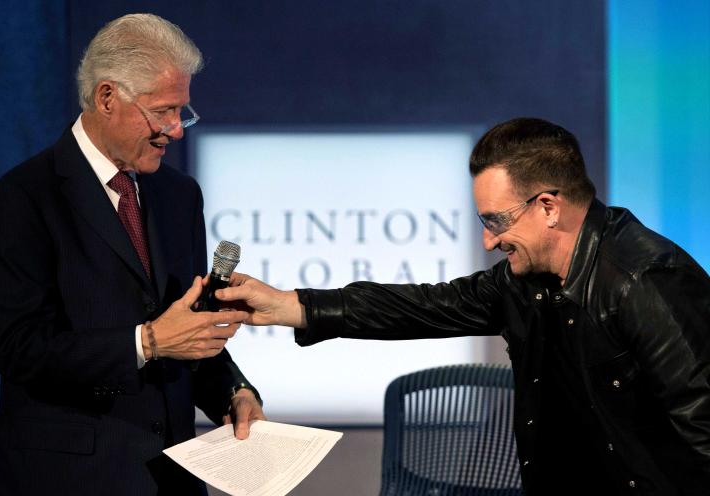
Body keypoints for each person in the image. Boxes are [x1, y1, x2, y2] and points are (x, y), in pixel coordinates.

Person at [216, 118, 710, 495]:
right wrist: (292, 306)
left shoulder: (645, 280)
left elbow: (704, 429)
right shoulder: (525, 279)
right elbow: (425, 306)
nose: (488, 239)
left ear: (548, 207)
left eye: (497, 220)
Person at [0, 13, 264, 496]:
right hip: (67, 479)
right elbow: (21, 350)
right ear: (107, 97)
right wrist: (146, 342)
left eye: (183, 113)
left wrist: (232, 391)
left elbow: (185, 323)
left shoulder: (178, 195)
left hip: (171, 476)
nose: (176, 130)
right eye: (164, 112)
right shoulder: (21, 199)